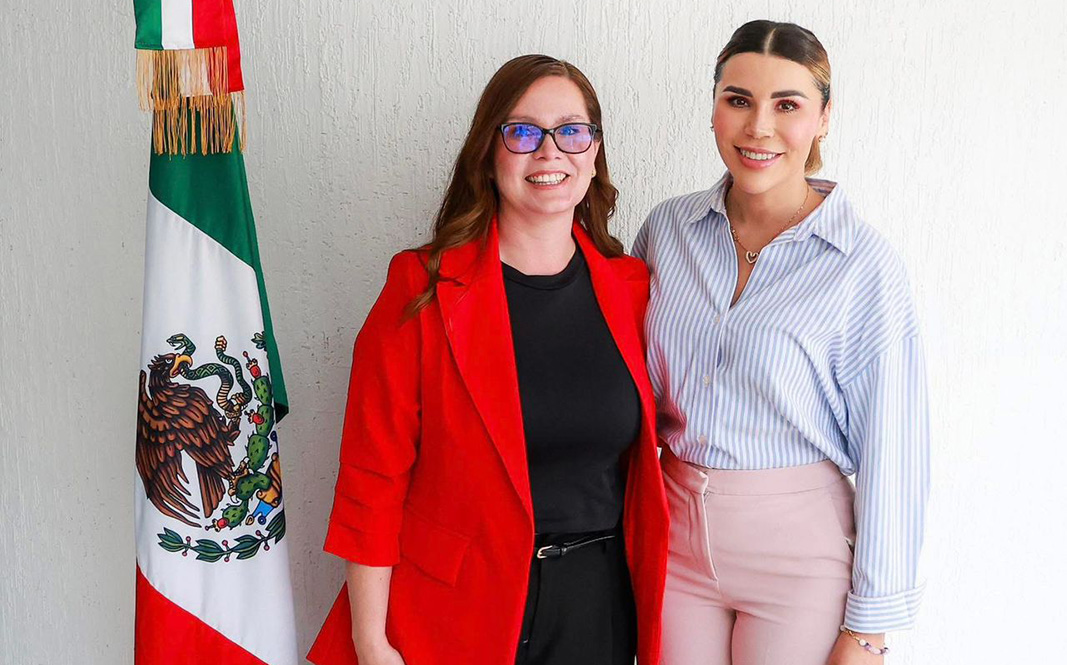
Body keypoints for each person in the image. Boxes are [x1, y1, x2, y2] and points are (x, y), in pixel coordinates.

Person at [307, 54, 669, 665]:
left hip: (597, 608)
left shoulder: (633, 290)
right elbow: (373, 476)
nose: (550, 152)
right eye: (522, 132)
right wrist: (371, 640)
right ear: (488, 152)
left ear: (594, 152)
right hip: (455, 612)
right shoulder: (422, 287)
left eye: (572, 131)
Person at [633, 20, 931, 665]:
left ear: (823, 118)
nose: (758, 127)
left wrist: (869, 631)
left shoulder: (863, 265)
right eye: (738, 99)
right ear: (714, 107)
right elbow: (629, 389)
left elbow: (895, 452)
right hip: (674, 542)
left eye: (787, 105)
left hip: (800, 558)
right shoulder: (666, 231)